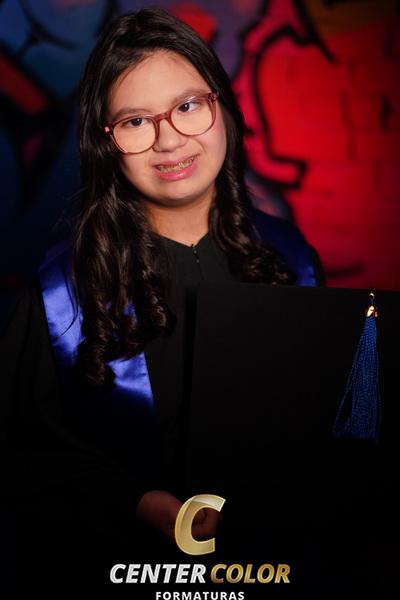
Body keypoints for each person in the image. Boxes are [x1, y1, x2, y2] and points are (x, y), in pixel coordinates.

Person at [0, 8, 323, 592]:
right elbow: (24, 458)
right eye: (134, 121)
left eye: (188, 106)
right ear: (106, 142)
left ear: (222, 107)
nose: (169, 139)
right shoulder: (60, 297)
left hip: (272, 570)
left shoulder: (292, 260)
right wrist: (139, 502)